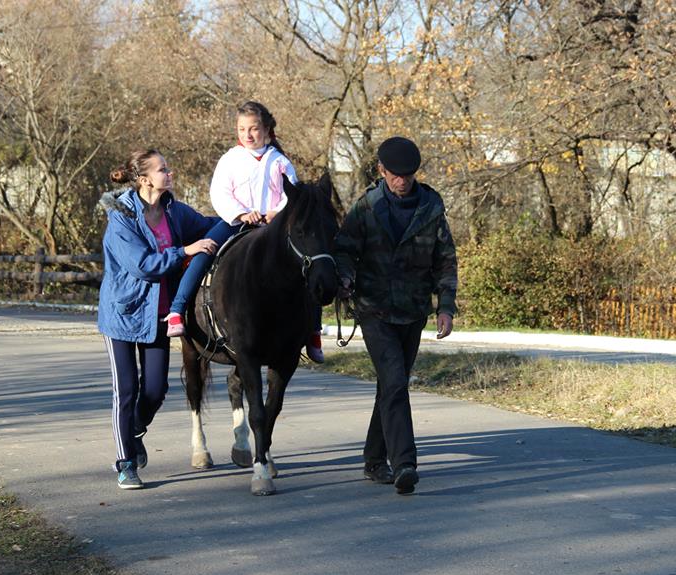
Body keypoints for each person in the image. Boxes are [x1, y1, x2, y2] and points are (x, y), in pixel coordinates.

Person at [333, 136, 458, 495]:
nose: (401, 181)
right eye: (395, 174)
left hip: (414, 310)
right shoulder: (366, 207)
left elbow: (445, 260)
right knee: (395, 382)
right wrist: (345, 278)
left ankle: (374, 458)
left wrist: (445, 307)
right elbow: (344, 250)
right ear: (381, 170)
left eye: (408, 174)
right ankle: (404, 462)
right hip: (374, 309)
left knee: (391, 385)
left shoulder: (431, 207)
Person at [165, 101, 327, 363]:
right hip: (235, 222)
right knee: (205, 251)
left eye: (253, 129)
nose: (248, 135)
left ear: (266, 130)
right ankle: (177, 308)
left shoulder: (280, 161)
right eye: (242, 129)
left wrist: (278, 212)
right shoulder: (230, 160)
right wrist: (241, 213)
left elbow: (292, 194)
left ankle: (313, 332)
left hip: (273, 227)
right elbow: (219, 193)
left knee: (308, 262)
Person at [97, 149, 218, 490]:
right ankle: (125, 463)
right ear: (144, 178)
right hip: (122, 313)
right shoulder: (121, 216)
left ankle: (134, 431)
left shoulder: (173, 211)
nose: (170, 173)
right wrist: (185, 251)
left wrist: (244, 218)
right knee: (126, 390)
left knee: (155, 390)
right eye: (163, 169)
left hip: (157, 315)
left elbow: (209, 225)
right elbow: (142, 265)